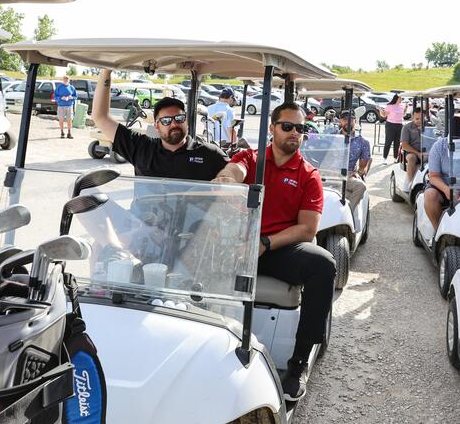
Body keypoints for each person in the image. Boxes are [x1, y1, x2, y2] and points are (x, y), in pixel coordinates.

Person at [213, 102, 336, 402]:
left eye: (300, 128)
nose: (295, 133)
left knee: (324, 265)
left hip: (278, 249)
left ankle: (298, 363)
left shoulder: (308, 175)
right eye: (287, 126)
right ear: (272, 128)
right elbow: (235, 170)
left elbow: (307, 228)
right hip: (240, 244)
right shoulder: (252, 159)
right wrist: (226, 180)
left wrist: (265, 243)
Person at [92, 68, 228, 179]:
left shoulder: (209, 153)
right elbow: (100, 117)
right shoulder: (141, 148)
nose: (174, 124)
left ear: (186, 121)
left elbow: (234, 174)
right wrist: (106, 71)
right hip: (145, 207)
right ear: (157, 126)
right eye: (166, 121)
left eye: (179, 118)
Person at [422, 118, 460, 228]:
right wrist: (446, 190)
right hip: (444, 188)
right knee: (430, 196)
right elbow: (434, 176)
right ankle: (438, 230)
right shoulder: (438, 147)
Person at [338, 110, 371, 210]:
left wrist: (358, 172)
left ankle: (347, 213)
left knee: (361, 186)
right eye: (344, 119)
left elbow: (363, 166)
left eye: (350, 119)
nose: (347, 122)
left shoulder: (363, 142)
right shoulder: (331, 137)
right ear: (340, 121)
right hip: (329, 174)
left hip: (348, 174)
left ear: (355, 121)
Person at [400, 107, 424, 191]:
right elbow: (404, 145)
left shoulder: (429, 126)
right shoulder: (407, 127)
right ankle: (410, 183)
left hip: (426, 151)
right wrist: (418, 153)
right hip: (412, 152)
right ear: (413, 117)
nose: (419, 121)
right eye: (417, 119)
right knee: (411, 158)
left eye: (421, 118)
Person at [379, 94, 407, 163]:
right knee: (388, 142)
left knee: (397, 142)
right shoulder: (390, 106)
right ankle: (384, 158)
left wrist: (406, 108)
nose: (401, 99)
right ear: (396, 98)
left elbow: (403, 114)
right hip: (390, 125)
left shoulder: (402, 106)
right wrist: (380, 109)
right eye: (400, 98)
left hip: (399, 125)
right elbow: (384, 115)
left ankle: (395, 158)